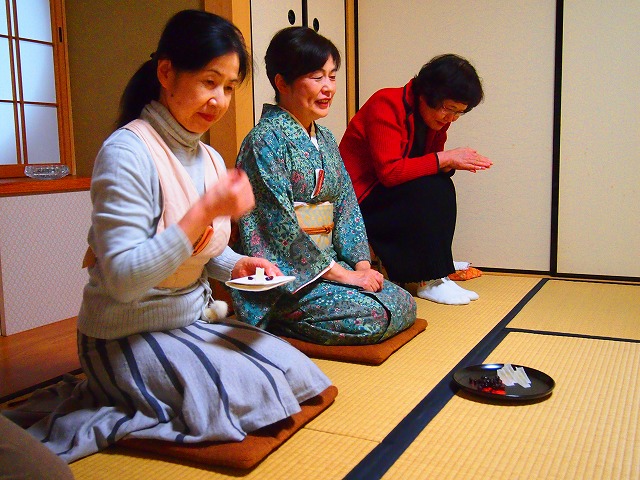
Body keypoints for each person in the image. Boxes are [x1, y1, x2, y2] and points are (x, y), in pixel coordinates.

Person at [22, 10, 331, 463]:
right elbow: (124, 279)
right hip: (125, 334)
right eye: (209, 82)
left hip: (188, 321)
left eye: (229, 87)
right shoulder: (127, 152)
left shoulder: (208, 157)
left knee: (297, 374)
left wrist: (238, 264)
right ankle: (114, 392)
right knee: (255, 395)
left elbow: (204, 250)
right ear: (166, 73)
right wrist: (203, 212)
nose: (219, 101)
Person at [231, 26, 416, 345]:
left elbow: (346, 208)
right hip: (289, 279)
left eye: (332, 76)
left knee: (403, 302)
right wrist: (346, 276)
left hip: (331, 267)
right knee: (373, 315)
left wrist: (361, 267)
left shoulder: (326, 138)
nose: (328, 87)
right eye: (316, 77)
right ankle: (278, 319)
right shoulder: (263, 142)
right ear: (282, 83)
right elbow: (279, 229)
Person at [339, 54, 493, 305]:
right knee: (430, 190)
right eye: (448, 108)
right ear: (427, 94)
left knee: (440, 185)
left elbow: (426, 166)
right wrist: (445, 159)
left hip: (389, 194)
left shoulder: (436, 119)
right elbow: (390, 173)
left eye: (459, 112)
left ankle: (437, 274)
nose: (451, 118)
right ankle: (428, 278)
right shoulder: (386, 104)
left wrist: (448, 163)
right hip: (359, 201)